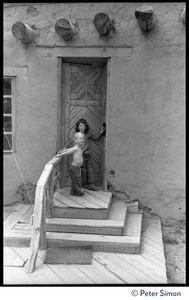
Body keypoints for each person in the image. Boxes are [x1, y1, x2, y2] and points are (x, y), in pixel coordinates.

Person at [74, 118, 106, 191]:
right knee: (83, 170)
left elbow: (96, 138)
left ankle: (92, 184)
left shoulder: (88, 135)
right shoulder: (77, 136)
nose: (82, 127)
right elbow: (75, 145)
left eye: (83, 125)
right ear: (78, 127)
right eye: (80, 125)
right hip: (81, 156)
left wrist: (101, 132)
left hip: (88, 155)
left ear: (86, 127)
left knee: (90, 170)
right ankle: (84, 184)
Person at [55, 132, 85, 196]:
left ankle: (73, 192)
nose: (82, 140)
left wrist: (63, 150)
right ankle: (80, 192)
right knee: (77, 180)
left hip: (77, 167)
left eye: (83, 138)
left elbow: (69, 149)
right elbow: (69, 152)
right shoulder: (76, 148)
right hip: (74, 167)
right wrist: (61, 154)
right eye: (80, 139)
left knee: (75, 180)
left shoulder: (79, 147)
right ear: (76, 140)